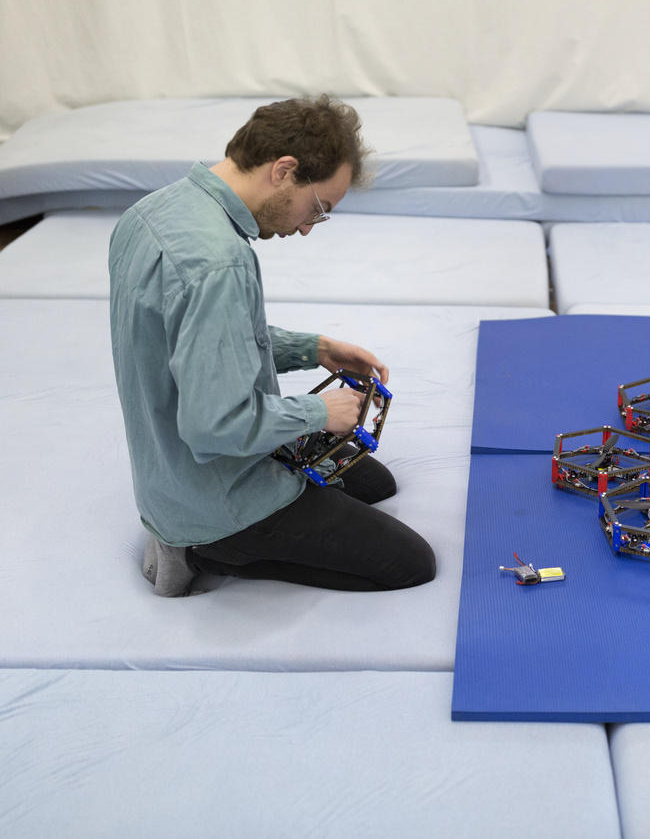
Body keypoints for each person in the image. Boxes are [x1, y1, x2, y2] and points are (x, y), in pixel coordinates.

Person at [108, 95, 435, 597]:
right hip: (214, 498)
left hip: (169, 473)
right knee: (412, 564)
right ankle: (199, 550)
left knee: (377, 485)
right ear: (284, 170)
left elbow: (201, 342)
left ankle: (186, 525)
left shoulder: (153, 211)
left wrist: (315, 349)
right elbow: (213, 427)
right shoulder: (221, 261)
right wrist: (317, 412)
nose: (307, 226)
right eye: (318, 208)